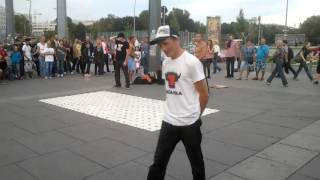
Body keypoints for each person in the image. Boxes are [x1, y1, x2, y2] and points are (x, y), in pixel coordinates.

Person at [147, 25, 209, 180]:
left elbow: (204, 94)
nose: (163, 48)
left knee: (197, 165)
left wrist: (195, 116)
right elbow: (171, 91)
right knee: (158, 163)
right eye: (160, 45)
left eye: (165, 43)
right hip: (169, 121)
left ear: (176, 40)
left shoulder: (192, 63)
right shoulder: (166, 63)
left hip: (190, 124)